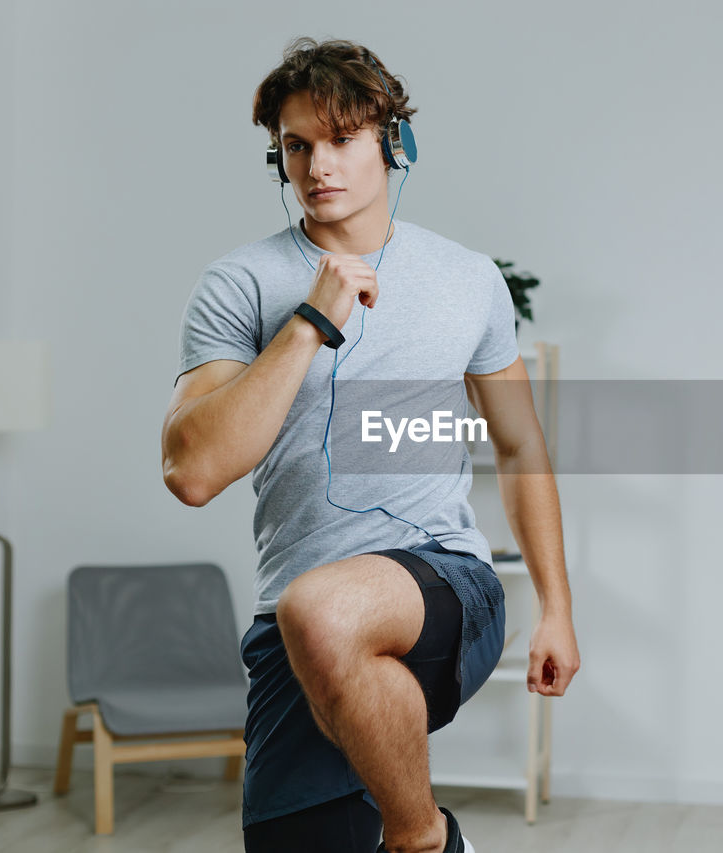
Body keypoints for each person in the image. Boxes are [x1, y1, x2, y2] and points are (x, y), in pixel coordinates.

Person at [160, 37, 580, 853]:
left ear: (393, 142)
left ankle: (421, 839)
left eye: (342, 139)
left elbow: (522, 446)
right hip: (295, 627)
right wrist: (310, 323)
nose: (318, 164)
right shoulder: (239, 285)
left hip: (446, 580)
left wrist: (556, 609)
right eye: (296, 145)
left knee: (320, 607)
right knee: (310, 640)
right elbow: (191, 470)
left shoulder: (467, 279)